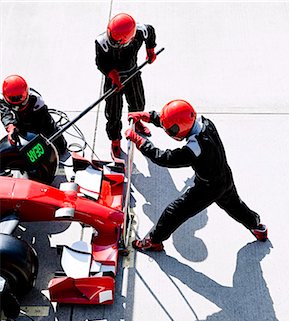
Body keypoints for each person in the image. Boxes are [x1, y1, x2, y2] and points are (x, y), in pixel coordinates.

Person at [125, 99, 268, 251]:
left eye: (171, 130)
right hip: (224, 176)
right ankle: (257, 226)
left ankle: (154, 241)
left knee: (174, 212)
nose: (168, 132)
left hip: (207, 188)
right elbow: (177, 119)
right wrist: (149, 116)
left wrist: (141, 142)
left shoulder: (195, 148)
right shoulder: (205, 123)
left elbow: (164, 158)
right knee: (235, 206)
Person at [95, 12, 157, 159]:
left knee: (138, 103)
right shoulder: (102, 42)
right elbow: (100, 63)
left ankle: (137, 123)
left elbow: (151, 32)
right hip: (113, 80)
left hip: (132, 74)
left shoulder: (141, 31)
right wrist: (112, 74)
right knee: (113, 113)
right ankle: (115, 141)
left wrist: (150, 51)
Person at [0, 74, 67, 155]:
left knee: (60, 146)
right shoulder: (3, 100)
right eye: (14, 100)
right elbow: (5, 114)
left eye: (21, 100)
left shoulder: (36, 100)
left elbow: (43, 123)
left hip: (37, 119)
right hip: (20, 121)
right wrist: (11, 127)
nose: (18, 106)